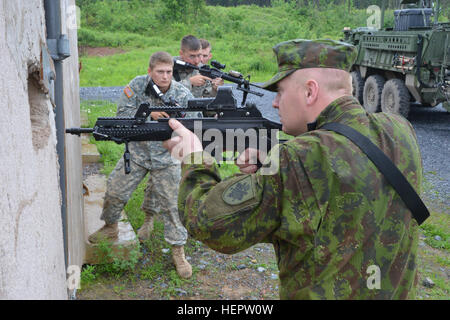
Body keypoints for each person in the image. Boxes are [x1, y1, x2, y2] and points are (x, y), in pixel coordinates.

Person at [163, 39, 424, 299]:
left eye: (280, 92)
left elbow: (206, 221)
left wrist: (194, 157)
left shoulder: (296, 159)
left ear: (310, 91)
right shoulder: (399, 129)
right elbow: (344, 166)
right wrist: (269, 163)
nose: (275, 103)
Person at [88, 51, 198, 279]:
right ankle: (110, 227)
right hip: (138, 153)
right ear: (150, 71)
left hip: (167, 157)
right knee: (115, 190)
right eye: (160, 72)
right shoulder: (136, 86)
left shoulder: (181, 92)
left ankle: (178, 251)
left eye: (169, 72)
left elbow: (196, 119)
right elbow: (122, 115)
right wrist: (150, 116)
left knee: (171, 206)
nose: (165, 76)